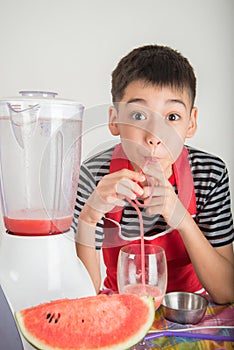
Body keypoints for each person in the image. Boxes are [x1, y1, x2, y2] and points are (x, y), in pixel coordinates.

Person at [72, 44, 234, 304]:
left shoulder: (209, 174)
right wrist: (89, 217)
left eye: (172, 116)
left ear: (191, 122)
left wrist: (180, 217)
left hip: (193, 307)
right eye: (138, 115)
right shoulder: (93, 176)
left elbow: (226, 291)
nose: (155, 137)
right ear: (114, 120)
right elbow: (84, 299)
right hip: (118, 304)